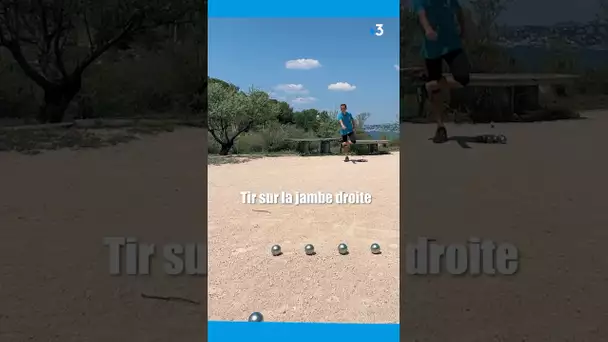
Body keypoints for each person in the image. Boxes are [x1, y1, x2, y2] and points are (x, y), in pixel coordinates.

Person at [412, 0, 470, 143]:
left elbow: (459, 11)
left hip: (452, 44)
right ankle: (440, 127)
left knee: (463, 77)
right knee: (436, 93)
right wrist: (428, 29)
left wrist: (463, 29)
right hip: (432, 48)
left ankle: (433, 85)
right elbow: (422, 14)